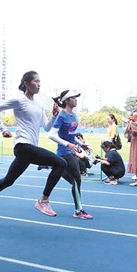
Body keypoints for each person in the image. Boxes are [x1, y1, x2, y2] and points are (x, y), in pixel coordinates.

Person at [0, 71, 67, 217]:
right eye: (36, 81)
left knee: (8, 181)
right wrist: (3, 129)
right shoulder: (19, 100)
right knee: (61, 163)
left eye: (40, 81)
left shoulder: (39, 105)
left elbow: (46, 127)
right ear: (26, 84)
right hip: (23, 146)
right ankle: (43, 200)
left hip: (29, 149)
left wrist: (54, 116)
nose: (39, 84)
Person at [48, 90, 93, 219]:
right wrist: (67, 144)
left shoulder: (73, 115)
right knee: (77, 180)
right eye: (73, 98)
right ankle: (78, 210)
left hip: (72, 151)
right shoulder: (61, 116)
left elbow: (71, 134)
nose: (76, 100)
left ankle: (53, 166)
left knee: (75, 181)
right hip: (64, 152)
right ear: (67, 100)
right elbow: (51, 135)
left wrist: (80, 143)